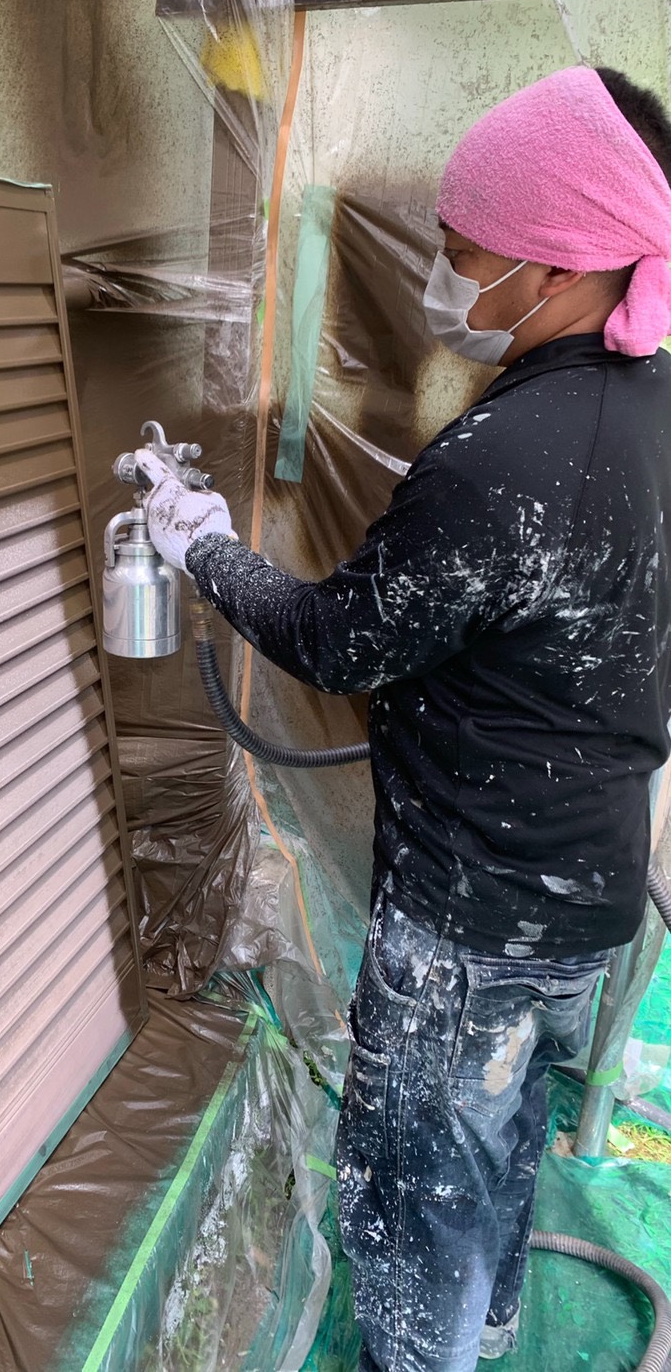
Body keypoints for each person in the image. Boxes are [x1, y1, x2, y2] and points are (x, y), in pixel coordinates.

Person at [135, 66, 671, 1372]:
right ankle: (488, 1323)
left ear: (556, 271)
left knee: (409, 1191)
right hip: (583, 897)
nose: (445, 276)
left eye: (463, 251)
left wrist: (202, 545)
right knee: (495, 1142)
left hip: (464, 926)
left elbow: (336, 640)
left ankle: (429, 1351)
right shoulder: (647, 410)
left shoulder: (507, 461)